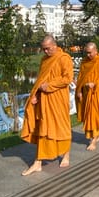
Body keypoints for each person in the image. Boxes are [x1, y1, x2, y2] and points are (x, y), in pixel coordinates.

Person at [21, 35, 74, 174]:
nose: (45, 52)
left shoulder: (64, 58)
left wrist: (49, 86)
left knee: (61, 127)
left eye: (48, 49)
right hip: (44, 100)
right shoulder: (45, 60)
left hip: (58, 99)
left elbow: (67, 78)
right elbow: (40, 80)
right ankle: (38, 162)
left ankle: (66, 154)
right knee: (43, 128)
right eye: (43, 49)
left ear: (55, 45)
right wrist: (35, 95)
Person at [75, 42, 99, 150]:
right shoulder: (84, 62)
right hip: (86, 93)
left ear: (96, 51)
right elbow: (81, 77)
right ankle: (98, 131)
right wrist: (79, 91)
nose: (88, 55)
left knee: (95, 116)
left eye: (90, 53)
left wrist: (96, 82)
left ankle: (94, 141)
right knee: (88, 116)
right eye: (86, 53)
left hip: (97, 93)